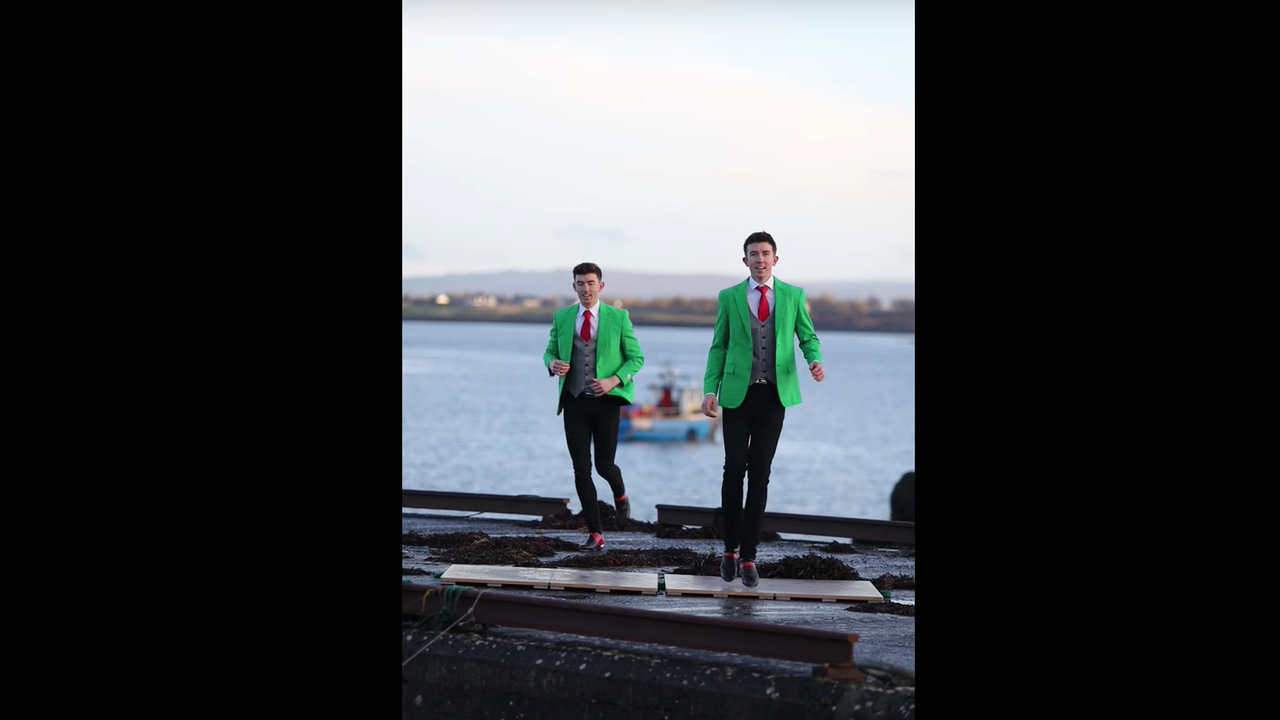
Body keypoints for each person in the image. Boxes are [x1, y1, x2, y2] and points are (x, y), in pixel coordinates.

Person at [701, 232, 824, 587]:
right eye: (753, 254)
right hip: (737, 395)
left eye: (765, 253)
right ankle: (729, 548)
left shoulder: (793, 296)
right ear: (745, 261)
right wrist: (711, 389)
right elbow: (718, 346)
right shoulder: (729, 297)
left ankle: (750, 556)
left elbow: (808, 336)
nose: (759, 259)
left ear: (775, 259)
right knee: (733, 468)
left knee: (760, 473)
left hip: (774, 395)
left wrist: (814, 360)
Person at [544, 262, 645, 551]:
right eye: (580, 284)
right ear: (573, 287)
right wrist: (551, 363)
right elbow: (550, 351)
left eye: (591, 283)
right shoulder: (562, 317)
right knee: (581, 469)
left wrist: (615, 379)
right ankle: (596, 532)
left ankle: (621, 495)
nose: (586, 289)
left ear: (600, 286)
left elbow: (636, 359)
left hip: (606, 403)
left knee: (603, 465)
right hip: (574, 401)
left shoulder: (618, 318)